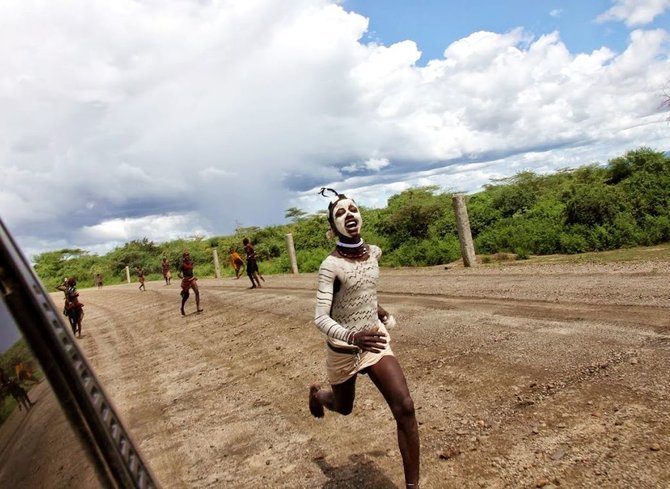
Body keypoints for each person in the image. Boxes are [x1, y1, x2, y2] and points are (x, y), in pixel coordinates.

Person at [309, 188, 420, 489]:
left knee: (405, 406)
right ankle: (318, 395)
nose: (349, 215)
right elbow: (320, 317)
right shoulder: (330, 266)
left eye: (353, 209)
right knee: (344, 407)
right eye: (340, 213)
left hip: (373, 340)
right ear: (333, 228)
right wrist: (353, 336)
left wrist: (380, 312)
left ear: (361, 217)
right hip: (344, 348)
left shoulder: (374, 253)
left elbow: (364, 293)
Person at [179, 251, 203, 315]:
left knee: (197, 292)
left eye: (188, 255)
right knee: (186, 296)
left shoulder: (191, 262)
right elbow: (178, 274)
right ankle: (182, 308)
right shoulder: (182, 264)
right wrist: (183, 278)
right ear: (183, 257)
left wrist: (192, 277)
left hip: (192, 279)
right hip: (186, 280)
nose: (187, 256)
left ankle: (198, 308)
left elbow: (191, 270)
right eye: (185, 255)